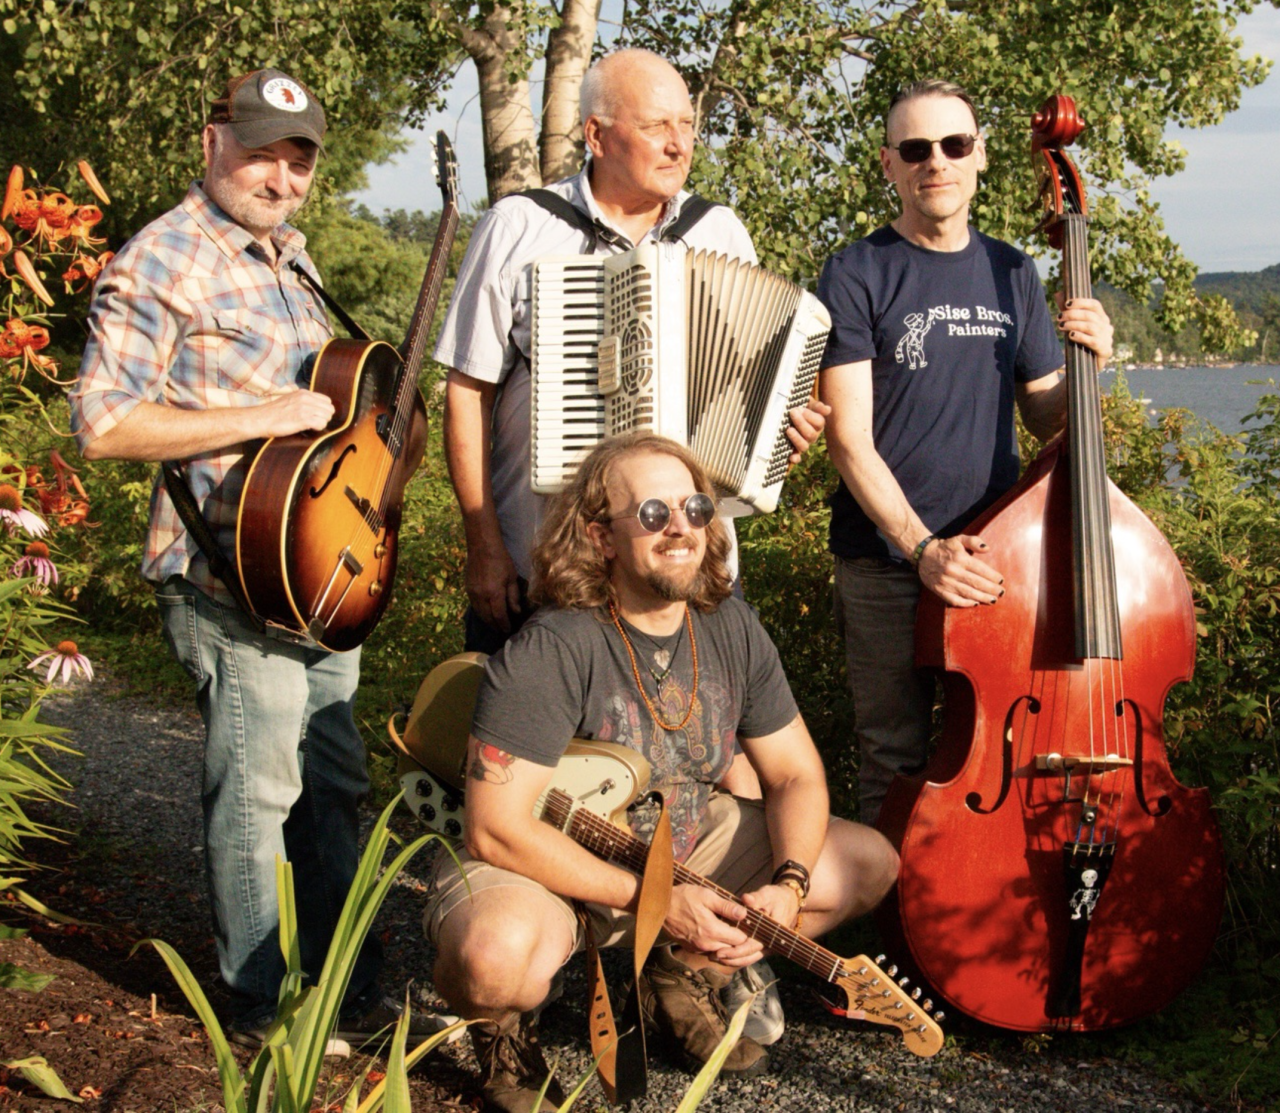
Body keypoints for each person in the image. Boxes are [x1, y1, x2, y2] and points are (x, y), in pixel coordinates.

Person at [69, 68, 450, 1051]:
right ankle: (264, 1009)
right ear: (211, 143)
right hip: (229, 585)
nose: (279, 174)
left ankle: (349, 993)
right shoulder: (161, 263)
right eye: (260, 149)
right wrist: (263, 417)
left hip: (319, 575)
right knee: (257, 797)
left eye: (299, 156)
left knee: (331, 783)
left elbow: (330, 422)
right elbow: (105, 426)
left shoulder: (290, 256)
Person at [423, 432, 899, 1112]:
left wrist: (789, 887)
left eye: (696, 508)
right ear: (600, 537)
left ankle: (671, 974)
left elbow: (795, 773)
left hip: (678, 848)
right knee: (494, 957)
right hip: (551, 869)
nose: (681, 526)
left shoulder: (730, 626)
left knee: (865, 862)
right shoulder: (553, 645)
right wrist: (653, 901)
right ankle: (504, 1032)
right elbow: (496, 829)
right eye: (652, 513)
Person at [434, 47, 827, 656]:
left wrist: (782, 434)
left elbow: (751, 390)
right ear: (597, 134)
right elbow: (467, 392)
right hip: (546, 566)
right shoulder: (520, 225)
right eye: (656, 126)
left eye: (687, 126)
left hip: (688, 569)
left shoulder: (719, 231)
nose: (680, 145)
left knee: (703, 743)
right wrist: (483, 544)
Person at [817, 80, 1115, 825]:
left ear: (979, 156)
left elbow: (1047, 415)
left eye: (954, 145)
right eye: (915, 150)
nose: (936, 162)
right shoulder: (856, 271)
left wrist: (1090, 366)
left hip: (993, 562)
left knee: (1000, 747)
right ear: (890, 165)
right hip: (887, 562)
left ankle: (976, 923)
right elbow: (848, 438)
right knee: (893, 755)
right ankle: (885, 934)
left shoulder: (1014, 272)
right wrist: (921, 548)